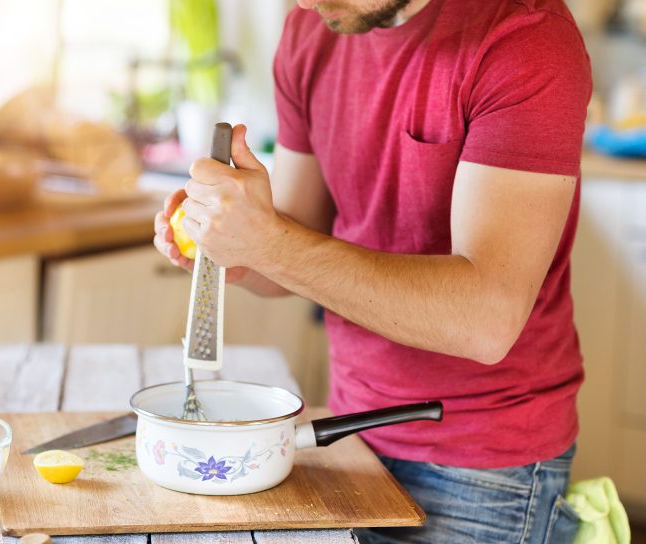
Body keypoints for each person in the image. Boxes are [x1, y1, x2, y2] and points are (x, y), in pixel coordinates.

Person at [154, 0, 592, 541]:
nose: (304, 3)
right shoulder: (313, 29)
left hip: (486, 470)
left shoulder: (523, 36)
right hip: (349, 432)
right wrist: (237, 251)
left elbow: (486, 320)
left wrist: (268, 242)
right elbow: (297, 240)